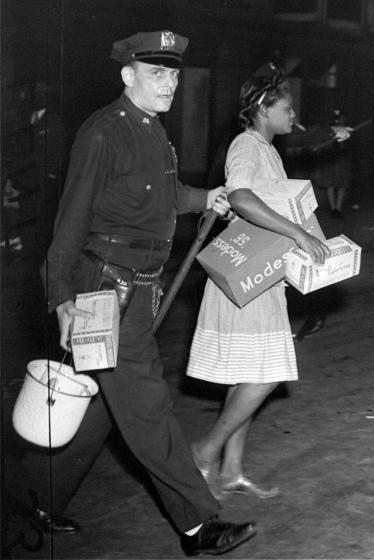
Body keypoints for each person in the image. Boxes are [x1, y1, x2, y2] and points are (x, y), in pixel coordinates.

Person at [32, 31, 256, 555]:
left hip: (135, 289)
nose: (170, 83)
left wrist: (208, 197)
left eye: (174, 74)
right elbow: (72, 219)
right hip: (102, 292)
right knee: (147, 404)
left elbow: (160, 195)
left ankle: (35, 496)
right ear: (127, 75)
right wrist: (60, 294)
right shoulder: (104, 132)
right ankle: (198, 525)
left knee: (104, 404)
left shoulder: (152, 131)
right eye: (158, 73)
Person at [187, 68, 330, 500]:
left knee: (247, 373)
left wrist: (313, 237)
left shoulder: (267, 150)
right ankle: (205, 450)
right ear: (264, 109)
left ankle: (231, 471)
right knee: (267, 375)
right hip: (246, 276)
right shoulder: (247, 145)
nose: (293, 115)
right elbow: (240, 197)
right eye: (287, 107)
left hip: (262, 275)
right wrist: (298, 234)